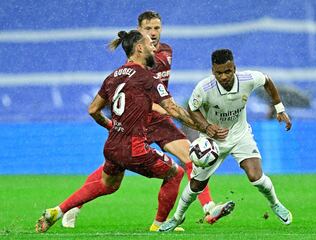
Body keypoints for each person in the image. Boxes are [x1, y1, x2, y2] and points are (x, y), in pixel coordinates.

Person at [61, 10, 232, 231]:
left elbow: (159, 90)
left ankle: (208, 207)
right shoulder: (138, 60)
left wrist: (165, 108)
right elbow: (134, 94)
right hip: (137, 119)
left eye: (157, 28)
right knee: (111, 172)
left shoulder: (167, 52)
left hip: (159, 121)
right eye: (148, 29)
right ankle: (74, 206)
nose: (153, 33)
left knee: (191, 156)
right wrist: (161, 107)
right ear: (139, 32)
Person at [35, 30, 206, 233]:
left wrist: (111, 126)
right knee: (175, 173)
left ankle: (58, 210)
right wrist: (204, 127)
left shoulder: (113, 76)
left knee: (109, 185)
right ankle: (159, 226)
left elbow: (93, 110)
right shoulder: (146, 77)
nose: (154, 48)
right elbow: (173, 109)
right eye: (149, 44)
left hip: (112, 145)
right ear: (139, 48)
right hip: (134, 147)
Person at [159, 49, 293, 232]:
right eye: (218, 72)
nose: (223, 76)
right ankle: (177, 218)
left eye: (227, 71)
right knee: (196, 185)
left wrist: (279, 108)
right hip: (212, 142)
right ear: (213, 70)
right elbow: (192, 108)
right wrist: (207, 127)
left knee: (256, 176)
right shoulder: (204, 88)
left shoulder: (248, 79)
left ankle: (276, 204)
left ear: (234, 68)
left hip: (240, 135)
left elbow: (267, 81)